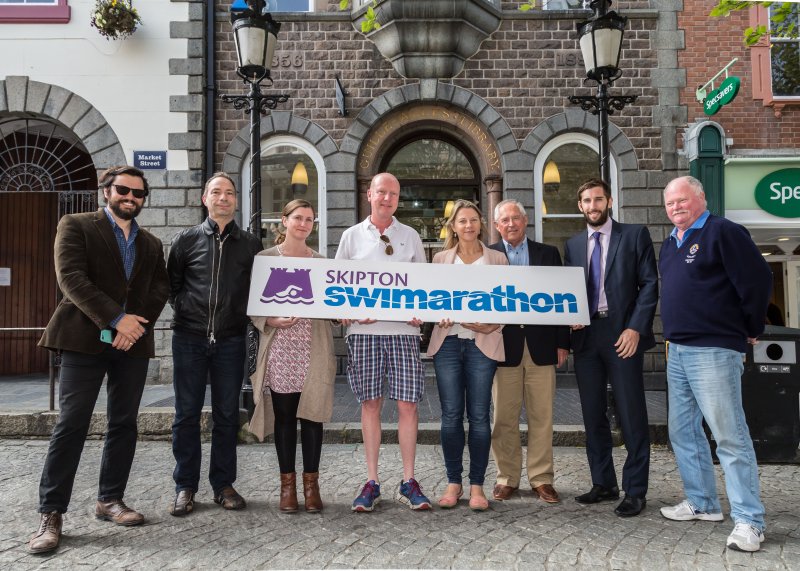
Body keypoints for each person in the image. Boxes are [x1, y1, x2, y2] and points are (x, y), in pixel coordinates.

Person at [29, 166, 169, 554]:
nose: (130, 198)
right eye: (123, 190)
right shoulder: (75, 224)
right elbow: (71, 279)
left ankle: (110, 499)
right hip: (83, 340)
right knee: (71, 425)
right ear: (106, 191)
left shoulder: (152, 242)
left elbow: (160, 287)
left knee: (123, 424)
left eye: (138, 193)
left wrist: (134, 328)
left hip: (131, 345)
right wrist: (116, 318)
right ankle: (51, 513)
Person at [659, 176, 772, 552]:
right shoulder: (670, 243)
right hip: (677, 350)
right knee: (683, 432)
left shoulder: (724, 232)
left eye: (682, 200)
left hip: (713, 350)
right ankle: (703, 503)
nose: (676, 207)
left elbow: (757, 280)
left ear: (701, 198)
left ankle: (749, 520)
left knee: (729, 435)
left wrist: (751, 327)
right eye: (670, 203)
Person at [335, 172, 431, 512]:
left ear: (398, 198)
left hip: (404, 332)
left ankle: (409, 480)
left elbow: (424, 287)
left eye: (393, 194)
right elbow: (337, 289)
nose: (387, 198)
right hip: (364, 335)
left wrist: (422, 311)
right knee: (370, 404)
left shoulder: (411, 236)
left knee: (408, 405)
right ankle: (372, 481)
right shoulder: (350, 237)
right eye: (381, 192)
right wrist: (346, 312)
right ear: (369, 195)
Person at [167, 172, 262, 517]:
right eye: (217, 192)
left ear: (237, 201)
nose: (224, 198)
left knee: (226, 415)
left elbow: (257, 290)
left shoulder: (251, 245)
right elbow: (173, 286)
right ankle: (185, 487)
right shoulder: (185, 240)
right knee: (186, 415)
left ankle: (223, 484)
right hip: (189, 338)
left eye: (230, 193)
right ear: (204, 199)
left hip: (231, 340)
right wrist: (190, 314)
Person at [563, 178, 658, 518]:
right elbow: (568, 290)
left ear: (610, 201)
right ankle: (603, 483)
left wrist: (635, 328)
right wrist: (569, 315)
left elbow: (649, 284)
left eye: (598, 199)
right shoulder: (572, 245)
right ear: (580, 206)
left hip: (623, 335)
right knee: (592, 414)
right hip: (587, 338)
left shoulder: (634, 235)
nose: (593, 206)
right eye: (587, 201)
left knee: (632, 414)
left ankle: (635, 490)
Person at [247, 199, 336, 513]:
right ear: (284, 221)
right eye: (298, 218)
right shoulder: (265, 258)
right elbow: (254, 306)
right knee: (284, 419)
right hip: (281, 350)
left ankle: (311, 487)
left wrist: (347, 311)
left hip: (314, 349)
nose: (303, 224)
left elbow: (335, 306)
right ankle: (288, 487)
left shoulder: (323, 262)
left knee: (313, 417)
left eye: (309, 219)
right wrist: (269, 320)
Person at [427, 200, 507, 511]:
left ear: (481, 224)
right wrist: (438, 315)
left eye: (474, 220)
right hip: (447, 344)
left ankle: (477, 486)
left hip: (482, 345)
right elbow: (429, 300)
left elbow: (508, 302)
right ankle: (453, 482)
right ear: (453, 226)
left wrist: (488, 324)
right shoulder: (440, 259)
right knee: (449, 417)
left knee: (479, 417)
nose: (469, 226)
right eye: (462, 221)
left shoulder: (497, 259)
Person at [488, 199, 569, 504]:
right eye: (504, 220)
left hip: (542, 345)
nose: (511, 224)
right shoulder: (488, 255)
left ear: (525, 221)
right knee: (503, 418)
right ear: (497, 226)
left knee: (542, 416)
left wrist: (563, 342)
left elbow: (562, 298)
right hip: (502, 346)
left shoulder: (548, 254)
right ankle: (507, 478)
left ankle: (541, 478)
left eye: (516, 219)